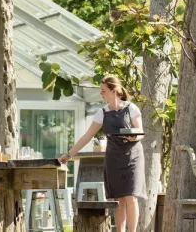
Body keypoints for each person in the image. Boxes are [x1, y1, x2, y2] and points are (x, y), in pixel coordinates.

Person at [58, 76, 145, 232]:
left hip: (133, 156)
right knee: (119, 199)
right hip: (113, 159)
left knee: (131, 197)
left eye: (103, 91)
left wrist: (134, 136)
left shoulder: (131, 108)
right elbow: (86, 137)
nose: (101, 94)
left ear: (114, 91)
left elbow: (140, 133)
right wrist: (68, 155)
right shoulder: (102, 113)